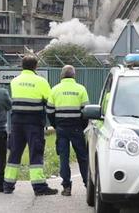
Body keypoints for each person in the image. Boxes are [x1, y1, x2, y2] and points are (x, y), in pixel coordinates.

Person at [4, 55, 58, 196]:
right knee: (36, 153)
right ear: (36, 66)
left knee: (14, 152)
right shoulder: (41, 81)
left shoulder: (14, 81)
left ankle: (8, 185)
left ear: (22, 66)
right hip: (34, 123)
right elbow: (50, 101)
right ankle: (39, 187)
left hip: (16, 123)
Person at [47, 65, 90, 196]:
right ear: (74, 75)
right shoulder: (81, 89)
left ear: (61, 75)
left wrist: (55, 125)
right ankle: (88, 184)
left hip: (61, 128)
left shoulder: (55, 90)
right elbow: (86, 111)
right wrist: (82, 126)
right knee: (82, 158)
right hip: (77, 127)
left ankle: (66, 187)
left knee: (64, 158)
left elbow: (49, 111)